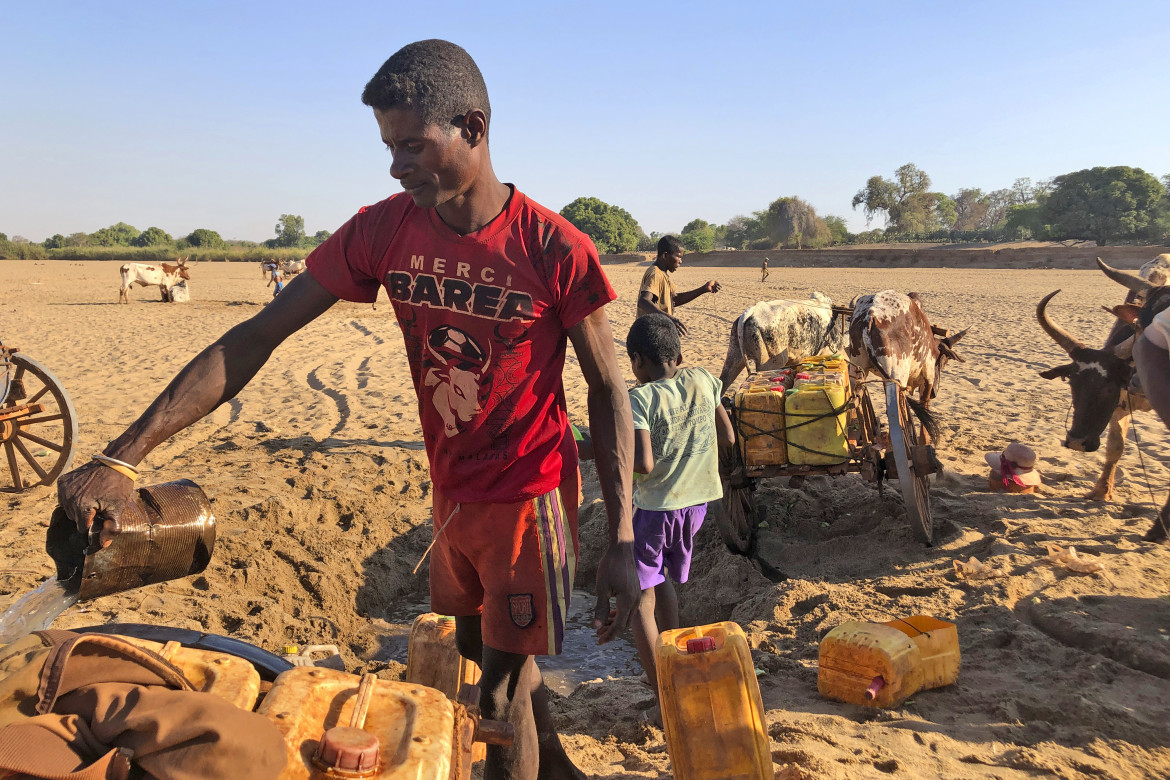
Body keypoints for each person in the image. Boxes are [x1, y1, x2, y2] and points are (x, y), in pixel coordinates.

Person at [56, 39, 639, 780]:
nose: (397, 165)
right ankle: (556, 767)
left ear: (474, 126)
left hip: (529, 501)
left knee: (494, 690)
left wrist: (621, 534)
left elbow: (609, 389)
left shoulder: (553, 247)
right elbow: (256, 337)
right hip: (452, 493)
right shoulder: (385, 230)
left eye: (412, 146)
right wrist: (120, 458)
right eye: (389, 147)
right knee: (483, 656)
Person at [625, 313, 734, 718]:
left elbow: (645, 464)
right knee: (664, 580)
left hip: (656, 511)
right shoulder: (704, 379)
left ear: (638, 361)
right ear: (679, 354)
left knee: (639, 598)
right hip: (698, 506)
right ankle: (671, 659)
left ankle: (664, 695)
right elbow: (727, 436)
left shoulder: (640, 399)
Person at [637, 235, 721, 336]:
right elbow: (643, 301)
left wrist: (704, 289)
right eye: (678, 257)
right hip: (650, 334)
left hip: (658, 333)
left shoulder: (663, 274)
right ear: (665, 256)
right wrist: (669, 318)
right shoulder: (656, 274)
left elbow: (673, 300)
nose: (680, 261)